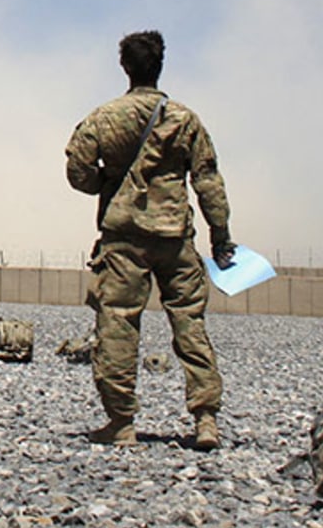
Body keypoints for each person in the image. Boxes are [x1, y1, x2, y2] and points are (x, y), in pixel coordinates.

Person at [65, 30, 236, 450]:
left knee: (118, 323)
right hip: (175, 237)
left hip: (124, 238)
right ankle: (206, 420)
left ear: (125, 66)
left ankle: (121, 422)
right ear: (159, 66)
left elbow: (78, 172)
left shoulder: (104, 118)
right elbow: (208, 181)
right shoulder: (184, 119)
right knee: (189, 322)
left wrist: (109, 183)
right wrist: (221, 236)